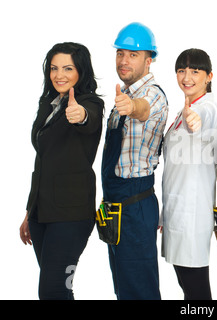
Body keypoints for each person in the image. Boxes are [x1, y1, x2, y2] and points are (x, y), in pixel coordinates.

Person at [19, 42, 104, 299]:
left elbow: (89, 119)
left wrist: (81, 115)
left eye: (68, 68)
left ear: (81, 71)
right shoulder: (49, 103)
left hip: (70, 215)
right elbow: (42, 161)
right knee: (54, 290)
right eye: (54, 68)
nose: (59, 75)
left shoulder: (90, 103)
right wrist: (29, 211)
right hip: (41, 214)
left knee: (54, 289)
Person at [101, 22, 168, 300]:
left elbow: (144, 109)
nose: (124, 60)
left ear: (148, 59)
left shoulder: (151, 94)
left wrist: (133, 107)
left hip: (135, 206)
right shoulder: (122, 95)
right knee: (124, 291)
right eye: (121, 54)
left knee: (141, 291)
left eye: (133, 55)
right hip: (115, 205)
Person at [161, 48, 217, 300]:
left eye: (195, 71)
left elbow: (201, 118)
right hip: (176, 213)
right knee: (187, 287)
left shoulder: (209, 107)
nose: (187, 77)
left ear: (208, 76)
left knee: (197, 291)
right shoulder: (182, 111)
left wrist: (195, 120)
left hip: (192, 215)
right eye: (181, 70)